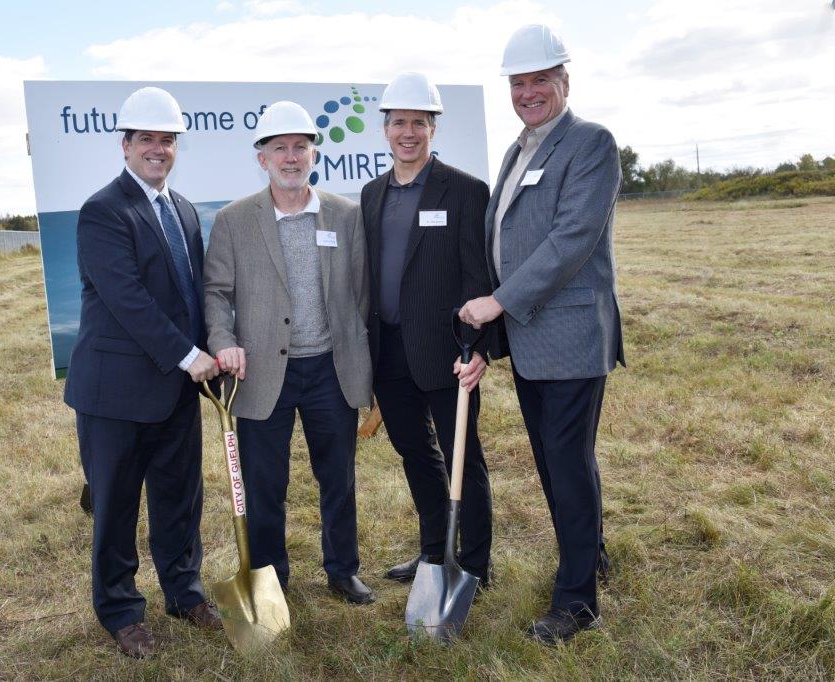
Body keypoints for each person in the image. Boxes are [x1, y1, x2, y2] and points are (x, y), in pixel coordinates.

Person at [458, 24, 625, 644]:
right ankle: (591, 555)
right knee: (560, 462)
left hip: (571, 335)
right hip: (531, 339)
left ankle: (577, 601)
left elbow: (570, 242)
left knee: (567, 462)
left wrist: (498, 302)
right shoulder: (521, 147)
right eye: (518, 82)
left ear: (564, 80)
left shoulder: (589, 143)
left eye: (540, 80)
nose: (528, 92)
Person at [63, 86, 221, 658]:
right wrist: (188, 356)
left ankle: (185, 593)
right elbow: (128, 300)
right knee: (116, 504)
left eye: (167, 140)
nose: (158, 149)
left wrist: (215, 348)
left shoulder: (183, 211)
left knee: (180, 500)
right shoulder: (103, 212)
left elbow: (192, 297)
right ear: (124, 145)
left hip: (176, 391)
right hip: (115, 396)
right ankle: (121, 610)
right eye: (147, 140)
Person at [203, 101, 375, 604]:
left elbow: (362, 293)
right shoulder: (235, 221)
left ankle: (342, 570)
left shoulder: (346, 215)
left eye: (300, 147)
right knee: (263, 486)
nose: (291, 157)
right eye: (280, 148)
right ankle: (271, 578)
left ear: (314, 154)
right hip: (260, 372)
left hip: (330, 369)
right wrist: (222, 342)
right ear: (262, 159)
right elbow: (215, 293)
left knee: (338, 478)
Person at [360, 72, 504, 588]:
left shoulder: (465, 191)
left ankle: (476, 564)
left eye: (418, 122)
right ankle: (432, 554)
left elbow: (481, 278)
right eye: (399, 122)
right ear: (385, 129)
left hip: (449, 352)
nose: (408, 132)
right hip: (390, 353)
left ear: (433, 128)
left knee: (465, 456)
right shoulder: (371, 194)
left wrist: (481, 348)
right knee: (416, 454)